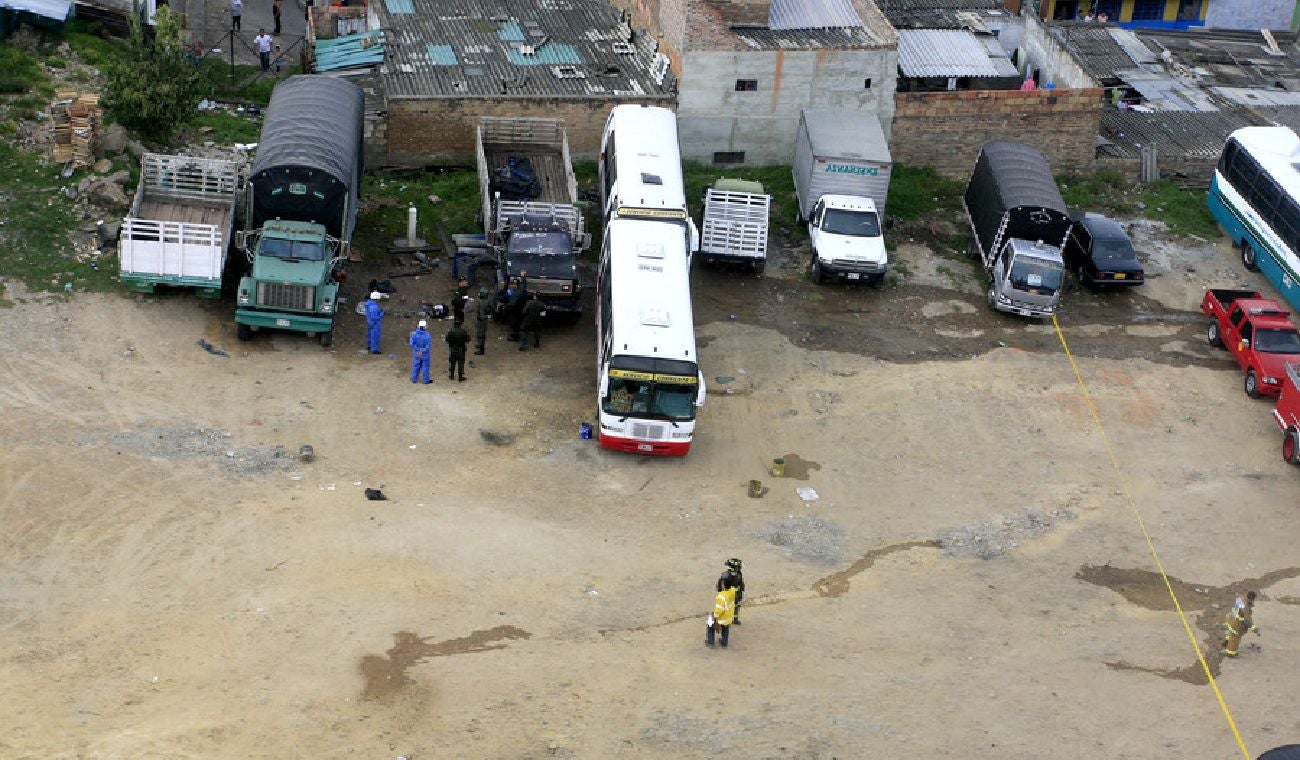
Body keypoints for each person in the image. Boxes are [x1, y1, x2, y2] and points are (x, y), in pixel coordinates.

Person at [1222, 591, 1259, 657]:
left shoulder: (1241, 598)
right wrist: (1254, 628)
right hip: (1237, 624)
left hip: (1231, 618)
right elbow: (1247, 620)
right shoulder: (1245, 608)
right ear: (1251, 598)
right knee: (1235, 639)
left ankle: (1227, 641)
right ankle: (1231, 653)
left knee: (1230, 634)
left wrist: (1250, 604)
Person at [706, 583, 737, 648]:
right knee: (726, 629)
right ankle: (724, 644)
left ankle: (710, 643)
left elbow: (718, 611)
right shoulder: (732, 591)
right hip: (728, 617)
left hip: (721, 618)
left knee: (710, 625)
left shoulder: (721, 597)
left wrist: (714, 617)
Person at [717, 558, 745, 625]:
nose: (740, 567)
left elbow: (741, 583)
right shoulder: (725, 575)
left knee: (736, 606)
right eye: (738, 566)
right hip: (728, 595)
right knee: (726, 607)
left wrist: (742, 590)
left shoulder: (739, 574)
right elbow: (720, 586)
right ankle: (724, 620)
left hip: (737, 594)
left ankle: (735, 619)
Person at [409, 320, 432, 384]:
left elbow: (411, 344)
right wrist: (422, 350)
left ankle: (414, 379)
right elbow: (428, 345)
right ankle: (426, 380)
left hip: (417, 353)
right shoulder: (427, 335)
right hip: (425, 354)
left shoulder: (414, 334)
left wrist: (417, 349)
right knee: (425, 367)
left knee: (416, 365)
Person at [474, 286, 492, 355]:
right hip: (483, 321)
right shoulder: (487, 301)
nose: (479, 294)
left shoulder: (482, 303)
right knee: (481, 335)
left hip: (481, 321)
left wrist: (485, 317)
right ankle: (480, 345)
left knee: (481, 335)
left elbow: (481, 315)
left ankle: (481, 350)